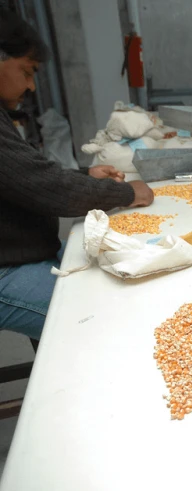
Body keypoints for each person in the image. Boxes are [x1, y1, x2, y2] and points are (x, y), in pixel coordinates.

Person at [0, 11, 153, 341]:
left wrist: (86, 174)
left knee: (111, 271)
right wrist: (126, 194)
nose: (30, 85)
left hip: (26, 251)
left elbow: (20, 175)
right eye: (27, 72)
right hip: (7, 269)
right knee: (100, 320)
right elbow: (45, 187)